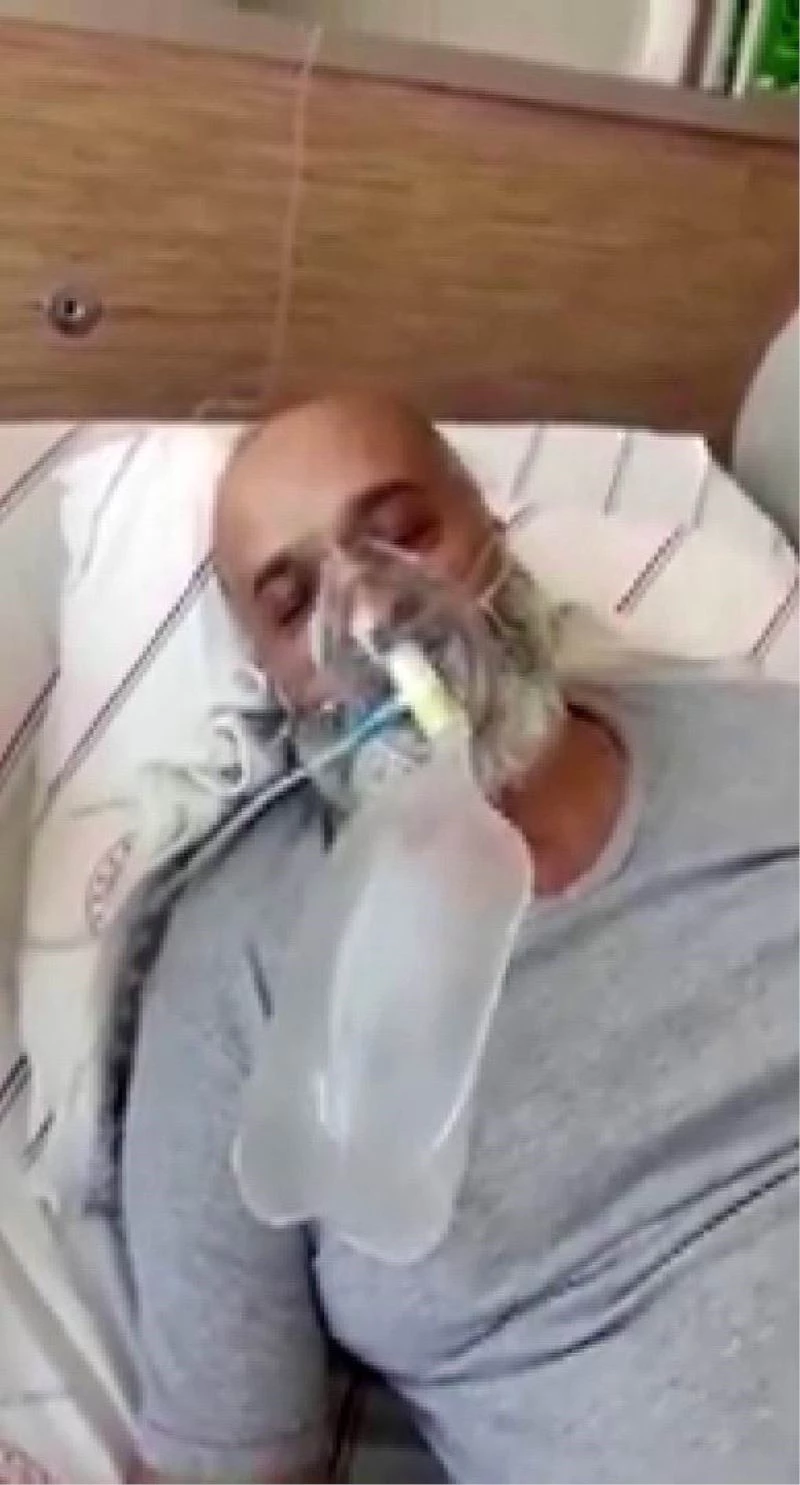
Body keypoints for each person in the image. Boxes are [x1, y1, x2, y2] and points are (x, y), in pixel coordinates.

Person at [121, 393, 798, 1484]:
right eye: (294, 604)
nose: (371, 615)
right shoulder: (242, 976)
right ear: (276, 684)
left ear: (491, 531)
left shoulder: (766, 749)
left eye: (399, 533)